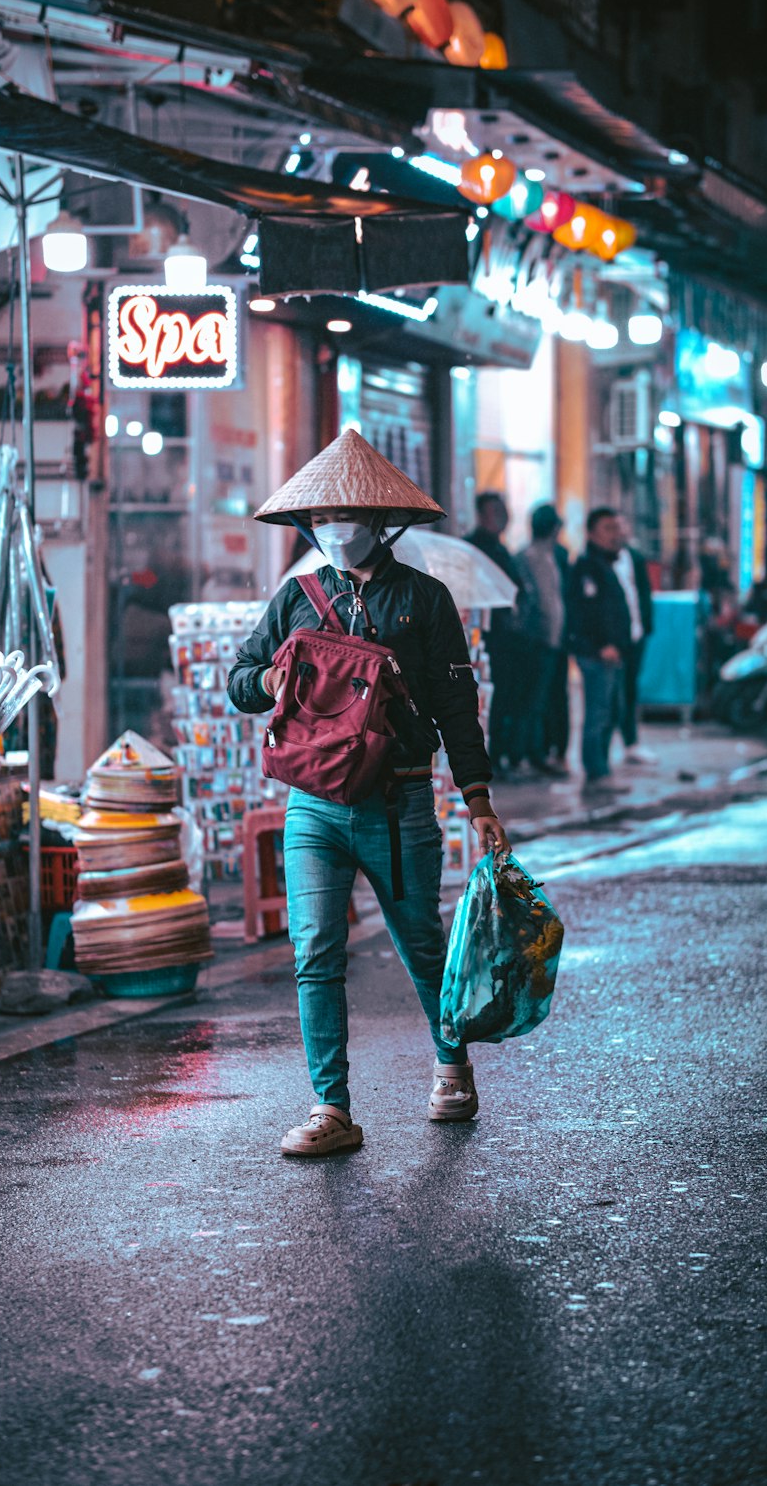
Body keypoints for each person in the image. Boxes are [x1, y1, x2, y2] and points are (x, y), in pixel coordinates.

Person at [228, 430, 510, 1158]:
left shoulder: (425, 599)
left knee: (422, 945)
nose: (335, 530)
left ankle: (452, 1065)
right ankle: (331, 1107)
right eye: (321, 519)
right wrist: (267, 682)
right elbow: (239, 681)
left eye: (347, 517)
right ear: (306, 524)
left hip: (400, 804)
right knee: (314, 951)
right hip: (313, 808)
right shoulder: (297, 597)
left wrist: (477, 798)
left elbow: (457, 705)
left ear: (382, 524)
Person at [567, 507, 632, 789]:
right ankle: (596, 772)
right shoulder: (587, 567)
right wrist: (600, 646)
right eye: (608, 528)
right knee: (598, 712)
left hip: (612, 653)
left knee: (610, 711)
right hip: (596, 654)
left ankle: (602, 769)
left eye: (618, 528)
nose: (615, 535)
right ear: (591, 533)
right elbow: (585, 614)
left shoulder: (608, 565)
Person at [464, 491, 522, 773]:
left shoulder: (501, 549)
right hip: (484, 641)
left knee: (506, 700)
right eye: (494, 511)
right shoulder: (472, 549)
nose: (501, 517)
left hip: (508, 640)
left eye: (503, 510)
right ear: (481, 514)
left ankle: (501, 756)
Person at [512, 504, 570, 775]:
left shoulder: (553, 555)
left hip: (553, 640)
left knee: (547, 699)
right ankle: (529, 754)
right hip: (538, 640)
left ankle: (541, 751)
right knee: (533, 700)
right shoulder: (531, 557)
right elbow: (541, 601)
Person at [613, 517, 656, 765]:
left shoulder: (635, 559)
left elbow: (642, 594)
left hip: (636, 635)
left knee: (630, 690)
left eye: (621, 528)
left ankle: (631, 742)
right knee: (608, 698)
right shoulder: (596, 563)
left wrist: (646, 627)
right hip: (612, 642)